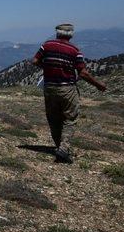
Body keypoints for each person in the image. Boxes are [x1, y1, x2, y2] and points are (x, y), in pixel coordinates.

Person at [32, 23, 106, 164]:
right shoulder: (74, 50)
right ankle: (64, 149)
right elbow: (83, 73)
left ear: (57, 33)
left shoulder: (47, 45)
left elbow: (35, 60)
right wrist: (98, 85)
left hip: (49, 88)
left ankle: (59, 146)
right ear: (70, 35)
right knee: (70, 118)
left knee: (53, 117)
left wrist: (47, 67)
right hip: (67, 89)